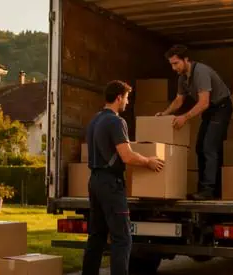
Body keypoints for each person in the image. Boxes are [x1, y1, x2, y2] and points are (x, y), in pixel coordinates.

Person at [82, 80, 165, 275]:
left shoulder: (94, 120)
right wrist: (148, 161)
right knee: (122, 239)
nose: (127, 102)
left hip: (94, 181)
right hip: (111, 184)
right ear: (119, 97)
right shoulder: (116, 121)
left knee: (96, 236)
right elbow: (126, 155)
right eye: (127, 98)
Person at [155, 44, 233, 200]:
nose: (173, 67)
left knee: (209, 147)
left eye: (176, 63)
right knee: (200, 147)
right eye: (171, 64)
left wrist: (184, 117)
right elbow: (178, 100)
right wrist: (164, 114)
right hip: (210, 110)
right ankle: (205, 188)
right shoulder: (182, 78)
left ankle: (209, 190)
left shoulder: (200, 73)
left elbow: (203, 102)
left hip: (221, 107)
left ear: (186, 60)